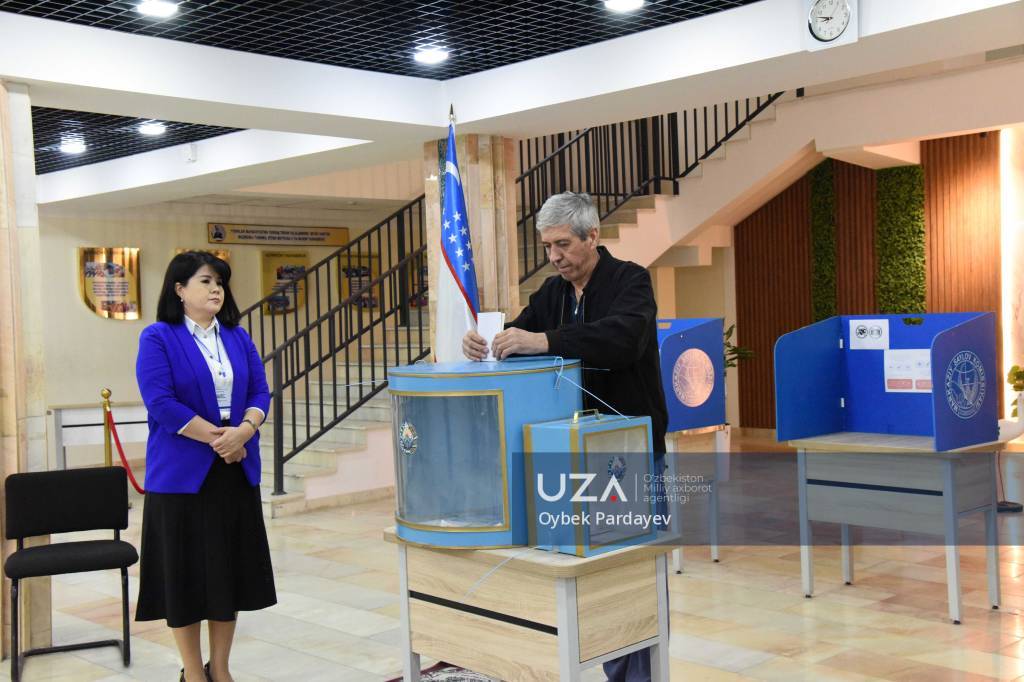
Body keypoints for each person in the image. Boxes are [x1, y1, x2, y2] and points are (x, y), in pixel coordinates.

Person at [462, 191, 668, 682]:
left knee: (628, 579)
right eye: (547, 247)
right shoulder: (552, 294)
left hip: (627, 454)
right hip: (569, 457)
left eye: (562, 245)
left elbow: (622, 340)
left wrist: (545, 341)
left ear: (592, 236)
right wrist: (486, 342)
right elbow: (521, 334)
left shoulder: (631, 281)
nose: (554, 257)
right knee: (588, 580)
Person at [135, 251, 276, 682]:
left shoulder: (237, 336)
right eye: (206, 281)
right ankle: (194, 673)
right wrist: (222, 440)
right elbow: (160, 402)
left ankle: (222, 668)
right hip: (181, 478)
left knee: (226, 576)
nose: (216, 289)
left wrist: (244, 432)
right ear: (179, 290)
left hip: (234, 472)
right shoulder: (159, 337)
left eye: (220, 282)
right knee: (185, 579)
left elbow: (260, 392)